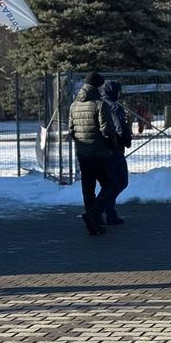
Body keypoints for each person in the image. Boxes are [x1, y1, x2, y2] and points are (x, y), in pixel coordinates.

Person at [67, 71, 115, 235]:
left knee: (88, 188)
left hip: (83, 153)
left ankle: (93, 223)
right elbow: (107, 130)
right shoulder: (100, 105)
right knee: (109, 185)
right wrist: (112, 145)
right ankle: (94, 214)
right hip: (99, 153)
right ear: (97, 86)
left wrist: (82, 144)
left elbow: (71, 130)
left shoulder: (74, 105)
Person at [101, 80, 131, 225]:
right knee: (121, 181)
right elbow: (120, 128)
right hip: (116, 148)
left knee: (110, 183)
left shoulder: (100, 104)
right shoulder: (114, 107)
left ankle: (107, 211)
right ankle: (100, 209)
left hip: (102, 148)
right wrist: (127, 139)